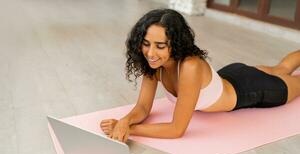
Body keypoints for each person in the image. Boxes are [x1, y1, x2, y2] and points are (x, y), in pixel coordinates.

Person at [100, 9, 300, 143]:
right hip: (231, 76)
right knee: (280, 68)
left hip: (251, 90)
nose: (150, 53)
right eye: (146, 43)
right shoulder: (154, 63)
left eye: (160, 46)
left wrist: (129, 129)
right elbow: (143, 107)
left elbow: (176, 130)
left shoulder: (190, 66)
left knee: (282, 72)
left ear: (175, 43)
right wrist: (125, 121)